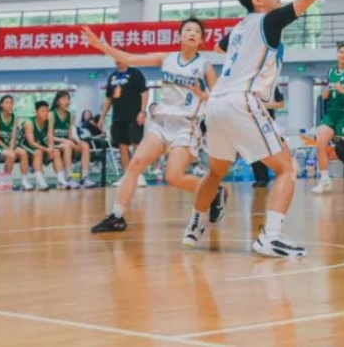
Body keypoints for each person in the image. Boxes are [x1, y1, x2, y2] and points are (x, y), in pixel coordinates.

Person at [183, 0, 344, 258]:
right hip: (242, 101)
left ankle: (194, 226)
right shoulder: (269, 21)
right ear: (259, 0)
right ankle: (270, 236)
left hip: (215, 104)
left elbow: (218, 47)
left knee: (215, 171)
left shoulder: (240, 27)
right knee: (287, 168)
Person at [87, 17, 221, 233]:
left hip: (185, 126)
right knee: (135, 164)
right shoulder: (165, 58)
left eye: (196, 31)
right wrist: (100, 45)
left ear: (201, 41)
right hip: (161, 122)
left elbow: (218, 99)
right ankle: (116, 217)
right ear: (179, 36)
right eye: (187, 29)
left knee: (173, 177)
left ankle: (214, 192)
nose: (191, 33)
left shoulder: (204, 66)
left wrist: (201, 94)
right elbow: (128, 58)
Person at [311, 43, 344, 194]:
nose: (343, 54)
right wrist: (325, 94)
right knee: (320, 142)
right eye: (341, 52)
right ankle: (324, 180)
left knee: (341, 149)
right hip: (330, 113)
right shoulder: (330, 72)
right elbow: (328, 91)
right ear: (337, 55)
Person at [99, 61, 149, 187]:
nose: (117, 60)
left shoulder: (135, 73)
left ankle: (139, 175)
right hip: (118, 117)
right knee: (122, 147)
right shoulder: (112, 77)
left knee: (136, 145)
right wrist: (102, 117)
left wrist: (142, 112)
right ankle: (127, 176)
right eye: (115, 58)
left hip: (134, 115)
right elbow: (109, 98)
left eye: (119, 57)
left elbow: (144, 93)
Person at [48, 90, 96, 188]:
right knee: (67, 146)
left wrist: (78, 142)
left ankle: (84, 178)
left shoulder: (70, 115)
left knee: (85, 145)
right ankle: (69, 178)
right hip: (55, 143)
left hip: (67, 142)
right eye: (63, 99)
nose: (67, 101)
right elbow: (49, 136)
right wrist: (66, 141)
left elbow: (70, 135)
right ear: (57, 102)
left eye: (68, 99)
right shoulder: (51, 114)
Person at [0, 94, 31, 191]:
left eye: (11, 103)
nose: (10, 105)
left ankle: (24, 181)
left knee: (23, 153)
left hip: (10, 145)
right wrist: (7, 148)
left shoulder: (15, 118)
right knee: (11, 155)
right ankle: (6, 182)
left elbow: (13, 136)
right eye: (7, 103)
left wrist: (11, 147)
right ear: (1, 105)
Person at [21, 100, 65, 190]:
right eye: (43, 111)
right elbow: (31, 143)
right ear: (36, 112)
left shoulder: (49, 121)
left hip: (41, 146)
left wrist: (51, 148)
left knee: (56, 151)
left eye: (47, 111)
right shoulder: (29, 123)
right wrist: (46, 149)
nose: (46, 113)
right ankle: (40, 182)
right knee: (38, 152)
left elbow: (50, 136)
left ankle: (61, 180)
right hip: (26, 146)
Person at [251, 86, 285, 188]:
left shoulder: (272, 86)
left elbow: (281, 104)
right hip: (250, 121)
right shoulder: (248, 86)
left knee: (266, 151)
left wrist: (263, 105)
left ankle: (264, 178)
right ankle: (259, 178)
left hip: (266, 122)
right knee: (253, 151)